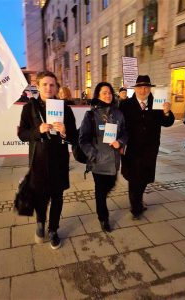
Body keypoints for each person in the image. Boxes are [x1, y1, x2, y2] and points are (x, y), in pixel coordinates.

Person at [18, 71, 77, 249]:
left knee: (57, 197)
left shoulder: (64, 108)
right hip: (38, 160)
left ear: (56, 87)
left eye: (52, 85)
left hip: (59, 161)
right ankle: (40, 223)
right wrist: (38, 130)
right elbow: (22, 134)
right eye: (45, 84)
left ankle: (53, 229)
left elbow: (75, 136)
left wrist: (65, 131)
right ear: (38, 86)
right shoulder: (29, 108)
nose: (49, 88)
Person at [120, 75, 175, 220]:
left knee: (144, 177)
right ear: (135, 89)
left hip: (149, 149)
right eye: (140, 87)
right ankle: (136, 207)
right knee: (133, 178)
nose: (143, 90)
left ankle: (138, 199)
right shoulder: (125, 105)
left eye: (146, 87)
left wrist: (167, 112)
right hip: (131, 149)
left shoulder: (157, 103)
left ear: (150, 88)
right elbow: (118, 124)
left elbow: (167, 122)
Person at [79, 82, 127, 232]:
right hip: (98, 162)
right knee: (100, 191)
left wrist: (120, 142)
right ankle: (103, 217)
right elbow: (83, 139)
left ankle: (101, 205)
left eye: (110, 93)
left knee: (111, 184)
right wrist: (93, 155)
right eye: (104, 92)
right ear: (98, 95)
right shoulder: (91, 115)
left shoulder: (118, 113)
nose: (108, 95)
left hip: (113, 161)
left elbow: (125, 132)